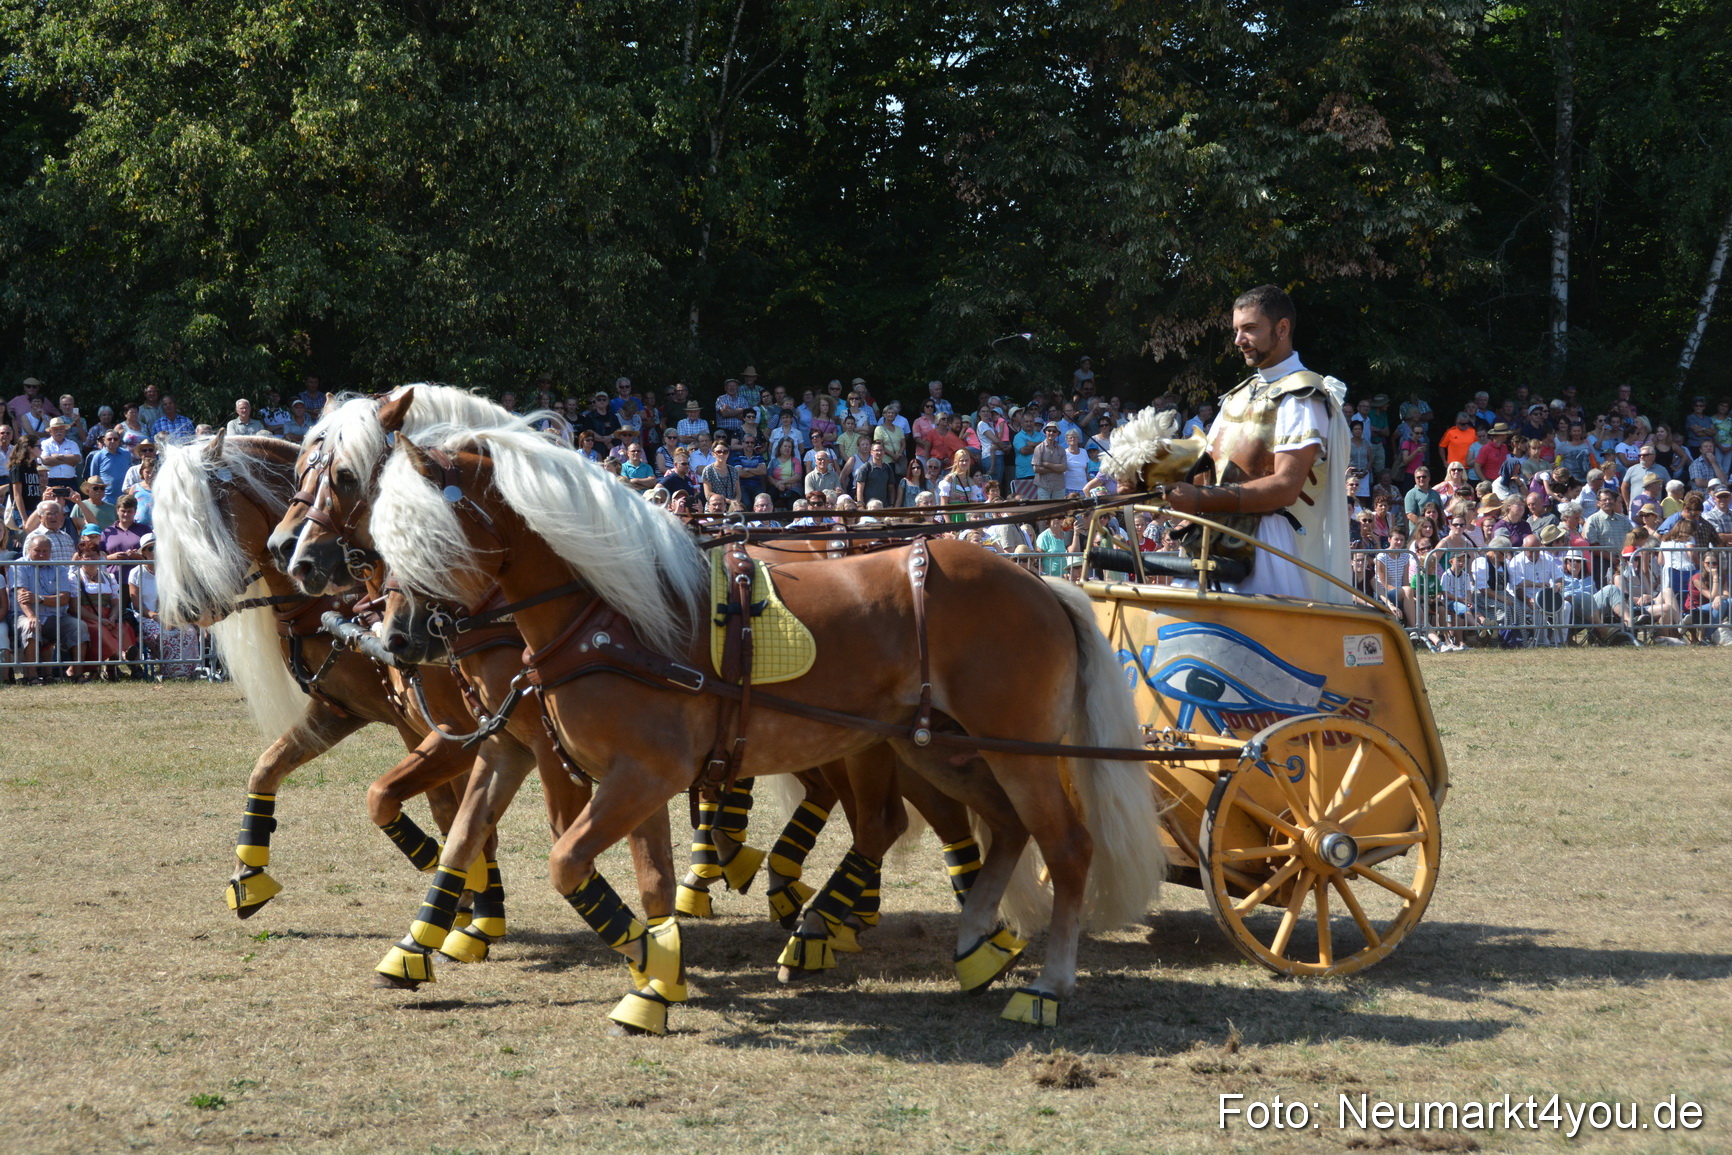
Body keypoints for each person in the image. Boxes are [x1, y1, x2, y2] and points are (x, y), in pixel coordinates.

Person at [1159, 286, 1350, 601]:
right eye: (1236, 330)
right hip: (1209, 536)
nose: (1238, 340)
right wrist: (1155, 481)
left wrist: (1199, 500)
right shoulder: (1238, 394)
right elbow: (1207, 467)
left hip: (1265, 544)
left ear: (1282, 328)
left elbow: (1286, 487)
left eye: (1249, 328)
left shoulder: (1301, 395)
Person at [12, 531, 84, 682]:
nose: (41, 554)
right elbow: (22, 596)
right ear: (29, 550)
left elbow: (64, 598)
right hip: (24, 614)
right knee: (30, 625)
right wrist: (32, 616)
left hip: (54, 616)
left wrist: (39, 598)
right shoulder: (19, 566)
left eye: (45, 551)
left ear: (50, 552)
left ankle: (77, 674)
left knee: (79, 626)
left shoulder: (60, 569)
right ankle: (31, 677)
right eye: (37, 551)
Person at [854, 441, 900, 508]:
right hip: (869, 508)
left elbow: (891, 489)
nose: (879, 453)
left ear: (884, 452)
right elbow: (859, 490)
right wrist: (861, 507)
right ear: (871, 452)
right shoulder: (865, 468)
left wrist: (891, 505)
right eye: (876, 450)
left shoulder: (888, 468)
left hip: (884, 507)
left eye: (881, 450)